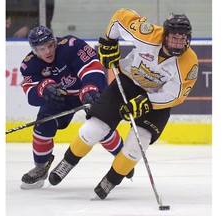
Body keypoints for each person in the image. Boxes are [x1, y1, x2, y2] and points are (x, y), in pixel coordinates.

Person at [47, 8, 199, 199]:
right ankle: (67, 162)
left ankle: (110, 180)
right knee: (94, 129)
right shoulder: (149, 34)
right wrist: (110, 41)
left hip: (155, 101)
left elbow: (175, 95)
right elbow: (120, 18)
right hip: (128, 83)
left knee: (138, 144)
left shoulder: (189, 62)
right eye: (174, 37)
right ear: (165, 35)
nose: (178, 42)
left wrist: (145, 103)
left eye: (183, 38)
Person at [19, 25, 134, 190]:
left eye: (50, 45)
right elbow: (31, 94)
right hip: (59, 99)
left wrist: (91, 87)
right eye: (42, 49)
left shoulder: (72, 45)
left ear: (55, 42)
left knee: (101, 127)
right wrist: (43, 89)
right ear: (34, 51)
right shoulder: (29, 65)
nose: (48, 51)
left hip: (86, 91)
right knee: (42, 126)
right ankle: (40, 167)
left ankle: (123, 160)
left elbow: (91, 67)